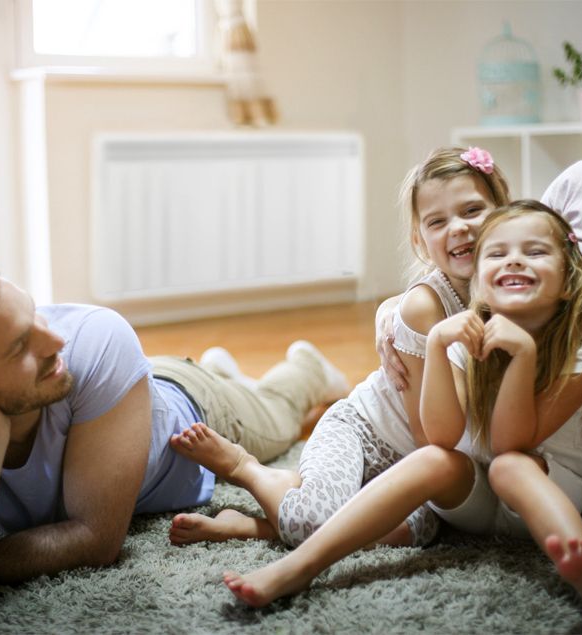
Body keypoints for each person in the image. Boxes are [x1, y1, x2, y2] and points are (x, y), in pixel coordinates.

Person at [221, 201, 582, 626]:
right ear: (479, 285)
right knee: (435, 460)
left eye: (534, 252)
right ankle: (301, 567)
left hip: (547, 488)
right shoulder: (462, 344)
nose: (514, 259)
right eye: (497, 253)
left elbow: (510, 442)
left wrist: (524, 354)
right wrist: (437, 345)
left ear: (567, 282)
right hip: (475, 499)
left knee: (511, 466)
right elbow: (440, 435)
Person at [0, 259, 348, 615]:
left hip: (194, 411)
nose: (56, 341)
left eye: (35, 315)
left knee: (278, 415)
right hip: (122, 400)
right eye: (18, 347)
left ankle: (306, 369)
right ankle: (223, 370)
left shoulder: (96, 335)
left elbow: (96, 540)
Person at [378, 20, 582, 511]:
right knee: (376, 482)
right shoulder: (581, 184)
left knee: (409, 514)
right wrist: (397, 315)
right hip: (485, 424)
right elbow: (490, 266)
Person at [167, 146, 510, 549]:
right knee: (312, 523)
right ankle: (250, 470)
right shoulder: (425, 306)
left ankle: (258, 524)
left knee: (422, 532)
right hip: (363, 434)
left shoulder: (511, 289)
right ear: (420, 240)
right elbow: (431, 437)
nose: (458, 228)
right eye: (438, 221)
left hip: (409, 466)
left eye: (472, 211)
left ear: (504, 210)